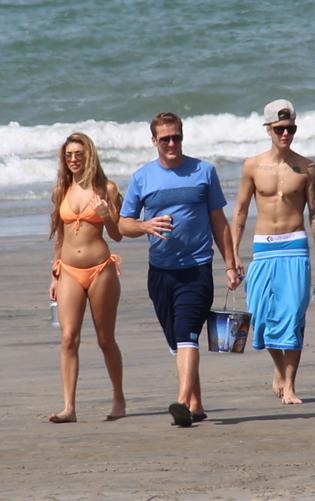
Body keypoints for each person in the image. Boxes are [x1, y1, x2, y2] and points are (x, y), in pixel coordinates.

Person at [119, 112, 240, 427]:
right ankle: (196, 403)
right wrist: (145, 225)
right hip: (160, 272)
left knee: (187, 333)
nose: (172, 143)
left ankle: (182, 402)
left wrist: (230, 263)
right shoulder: (142, 177)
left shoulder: (204, 172)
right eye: (165, 139)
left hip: (197, 268)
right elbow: (123, 224)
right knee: (178, 341)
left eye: (176, 137)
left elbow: (218, 221)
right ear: (154, 141)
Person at [231, 99, 315, 404]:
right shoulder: (252, 166)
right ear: (268, 130)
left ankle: (290, 384)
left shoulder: (307, 168)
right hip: (263, 248)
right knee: (260, 318)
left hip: (295, 247)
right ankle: (279, 367)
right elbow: (240, 211)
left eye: (290, 128)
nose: (286, 133)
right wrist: (233, 255)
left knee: (292, 316)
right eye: (279, 129)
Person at [48, 132, 126, 423]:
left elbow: (117, 235)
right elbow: (60, 235)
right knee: (68, 338)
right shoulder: (62, 190)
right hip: (68, 270)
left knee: (105, 339)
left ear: (89, 155)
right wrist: (55, 273)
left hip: (100, 269)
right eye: (68, 155)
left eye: (78, 154)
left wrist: (105, 215)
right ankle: (69, 407)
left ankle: (118, 398)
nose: (73, 159)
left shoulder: (107, 188)